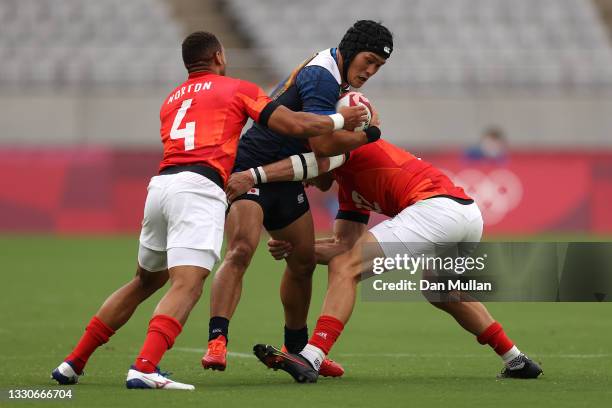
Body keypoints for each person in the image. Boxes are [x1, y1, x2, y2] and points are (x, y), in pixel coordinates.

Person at [50, 31, 368, 391]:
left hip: (161, 186)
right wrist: (343, 120)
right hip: (199, 188)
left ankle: (72, 363)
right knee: (188, 283)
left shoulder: (171, 99)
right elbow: (295, 125)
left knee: (144, 281)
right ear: (219, 56)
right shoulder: (237, 88)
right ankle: (144, 366)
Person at [225, 138, 543, 383]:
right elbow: (342, 244)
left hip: (438, 210)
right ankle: (517, 361)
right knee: (442, 292)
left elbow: (313, 166)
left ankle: (311, 356)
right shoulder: (349, 190)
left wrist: (255, 175)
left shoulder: (348, 146)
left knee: (346, 267)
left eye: (307, 175)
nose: (306, 183)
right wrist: (297, 248)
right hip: (466, 216)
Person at [203, 20, 393, 378]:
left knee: (303, 261)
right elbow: (321, 144)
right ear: (350, 49)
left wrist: (337, 150)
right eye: (368, 61)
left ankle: (296, 349)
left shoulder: (336, 80)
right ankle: (217, 340)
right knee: (242, 248)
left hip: (287, 178)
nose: (370, 71)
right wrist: (368, 134)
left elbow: (320, 176)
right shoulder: (322, 76)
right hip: (251, 168)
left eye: (378, 67)